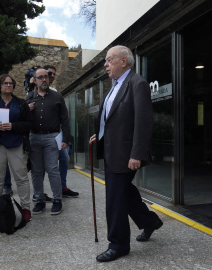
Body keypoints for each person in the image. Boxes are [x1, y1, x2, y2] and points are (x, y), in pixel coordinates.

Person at [89, 45, 163, 262]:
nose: (105, 64)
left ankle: (119, 244)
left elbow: (143, 121)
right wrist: (99, 135)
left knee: (115, 198)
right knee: (124, 192)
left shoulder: (137, 83)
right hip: (113, 150)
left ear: (124, 61)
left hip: (126, 153)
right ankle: (149, 221)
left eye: (109, 60)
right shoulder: (115, 85)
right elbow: (112, 119)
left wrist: (137, 154)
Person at [0, 74, 32, 225]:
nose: (8, 85)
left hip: (16, 144)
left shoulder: (21, 104)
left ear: (13, 86)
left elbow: (29, 124)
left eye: (10, 83)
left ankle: (26, 208)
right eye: (5, 83)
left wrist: (13, 126)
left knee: (21, 178)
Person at [27, 67, 70, 215]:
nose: (44, 79)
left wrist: (66, 139)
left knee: (52, 169)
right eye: (41, 77)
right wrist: (27, 110)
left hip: (52, 137)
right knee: (36, 171)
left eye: (46, 76)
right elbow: (21, 119)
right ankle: (39, 200)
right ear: (35, 80)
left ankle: (57, 200)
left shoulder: (57, 96)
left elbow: (65, 119)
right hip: (33, 138)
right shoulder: (29, 98)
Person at [43, 65, 79, 198]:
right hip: (39, 134)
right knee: (41, 165)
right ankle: (39, 193)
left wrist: (65, 136)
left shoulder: (55, 92)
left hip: (55, 133)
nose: (52, 76)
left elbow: (63, 115)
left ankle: (62, 188)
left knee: (64, 158)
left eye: (53, 74)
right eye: (49, 73)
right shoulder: (35, 89)